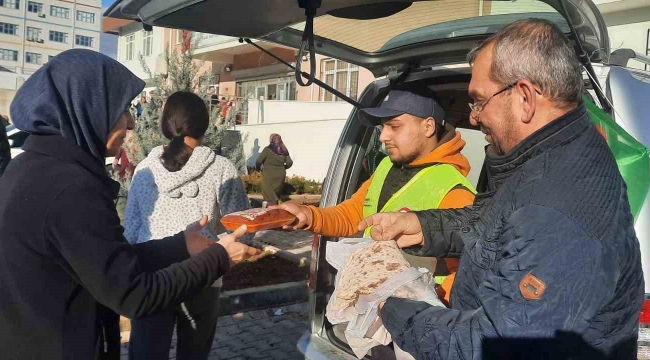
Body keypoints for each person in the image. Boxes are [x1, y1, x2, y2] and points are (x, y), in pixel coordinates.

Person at [360, 19, 644, 359]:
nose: (475, 118)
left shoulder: (559, 209)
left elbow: (494, 345)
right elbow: (499, 221)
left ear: (524, 97)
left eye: (478, 101)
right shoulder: (551, 153)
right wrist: (423, 226)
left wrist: (390, 306)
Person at [0, 49, 259, 360]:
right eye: (122, 110)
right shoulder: (71, 189)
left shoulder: (30, 167)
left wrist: (179, 246)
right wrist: (219, 257)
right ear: (88, 108)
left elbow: (101, 258)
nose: (131, 124)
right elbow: (134, 294)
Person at [278, 88, 476, 301]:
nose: (383, 136)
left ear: (428, 126)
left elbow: (463, 270)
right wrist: (308, 216)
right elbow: (353, 215)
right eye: (382, 127)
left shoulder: (454, 189)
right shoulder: (386, 167)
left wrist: (431, 317)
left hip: (414, 317)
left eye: (394, 126)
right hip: (371, 305)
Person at [123, 91, 251, 360]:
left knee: (146, 354)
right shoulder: (221, 168)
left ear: (166, 123)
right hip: (202, 274)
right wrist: (224, 252)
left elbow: (131, 231)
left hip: (151, 279)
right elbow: (242, 227)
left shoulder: (145, 170)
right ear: (204, 123)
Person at [256, 133, 293, 206]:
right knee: (275, 195)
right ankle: (274, 210)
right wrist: (283, 168)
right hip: (280, 175)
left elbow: (258, 161)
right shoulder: (284, 150)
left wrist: (258, 169)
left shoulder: (267, 149)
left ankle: (273, 213)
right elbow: (290, 162)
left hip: (268, 175)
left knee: (270, 196)